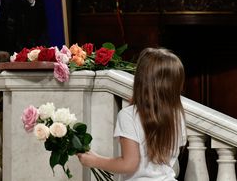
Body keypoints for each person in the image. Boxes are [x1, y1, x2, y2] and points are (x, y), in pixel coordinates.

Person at [78, 47, 187, 180]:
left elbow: (129, 164)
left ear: (141, 80)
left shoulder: (128, 115)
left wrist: (94, 161)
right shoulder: (178, 115)